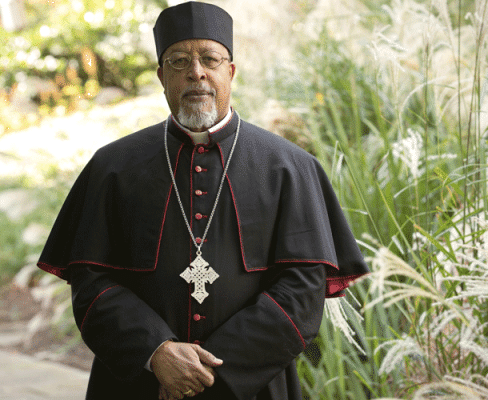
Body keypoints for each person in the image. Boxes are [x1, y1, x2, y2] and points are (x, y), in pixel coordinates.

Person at [37, 2, 369, 399]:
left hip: (251, 389)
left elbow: (302, 291)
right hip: (136, 386)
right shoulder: (113, 167)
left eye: (210, 58)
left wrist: (208, 374)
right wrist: (155, 352)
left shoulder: (289, 167)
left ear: (230, 71)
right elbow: (91, 283)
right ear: (162, 77)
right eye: (179, 61)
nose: (196, 72)